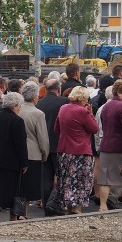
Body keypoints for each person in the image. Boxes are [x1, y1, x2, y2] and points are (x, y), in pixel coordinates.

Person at [0, 92, 30, 223]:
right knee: (16, 190)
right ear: (15, 105)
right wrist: (24, 162)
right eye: (19, 106)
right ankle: (13, 217)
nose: (20, 109)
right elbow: (21, 144)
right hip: (10, 162)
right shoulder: (17, 121)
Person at [54, 86, 98, 214]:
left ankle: (67, 206)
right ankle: (77, 207)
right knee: (81, 180)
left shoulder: (63, 108)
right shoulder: (82, 111)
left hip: (64, 149)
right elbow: (94, 129)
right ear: (84, 98)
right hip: (81, 150)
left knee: (67, 179)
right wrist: (90, 113)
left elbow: (56, 129)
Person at [96, 80, 122, 210]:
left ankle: (103, 205)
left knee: (105, 178)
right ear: (119, 92)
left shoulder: (106, 106)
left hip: (106, 146)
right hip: (121, 147)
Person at [36, 78, 68, 216]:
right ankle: (56, 203)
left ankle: (46, 203)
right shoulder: (63, 102)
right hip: (59, 143)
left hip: (43, 144)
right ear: (58, 89)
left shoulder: (39, 103)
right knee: (61, 175)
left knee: (46, 176)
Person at [16, 82, 49, 217]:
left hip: (17, 153)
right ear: (35, 96)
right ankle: (24, 213)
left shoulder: (17, 110)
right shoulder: (38, 114)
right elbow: (43, 138)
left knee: (19, 186)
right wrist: (44, 154)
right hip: (33, 153)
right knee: (29, 188)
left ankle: (18, 213)